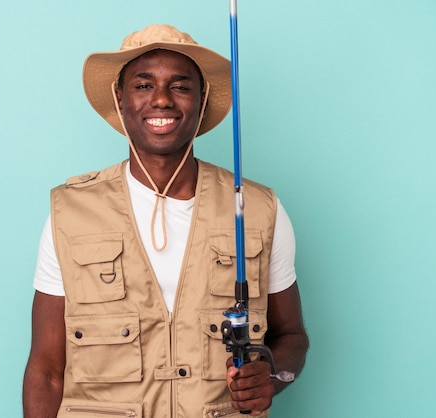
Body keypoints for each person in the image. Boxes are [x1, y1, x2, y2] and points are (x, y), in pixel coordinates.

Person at [22, 24, 309, 418]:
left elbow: (292, 337)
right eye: (143, 85)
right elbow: (46, 370)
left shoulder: (258, 210)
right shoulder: (71, 214)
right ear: (119, 99)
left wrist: (273, 378)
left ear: (202, 100)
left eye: (180, 86)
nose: (161, 100)